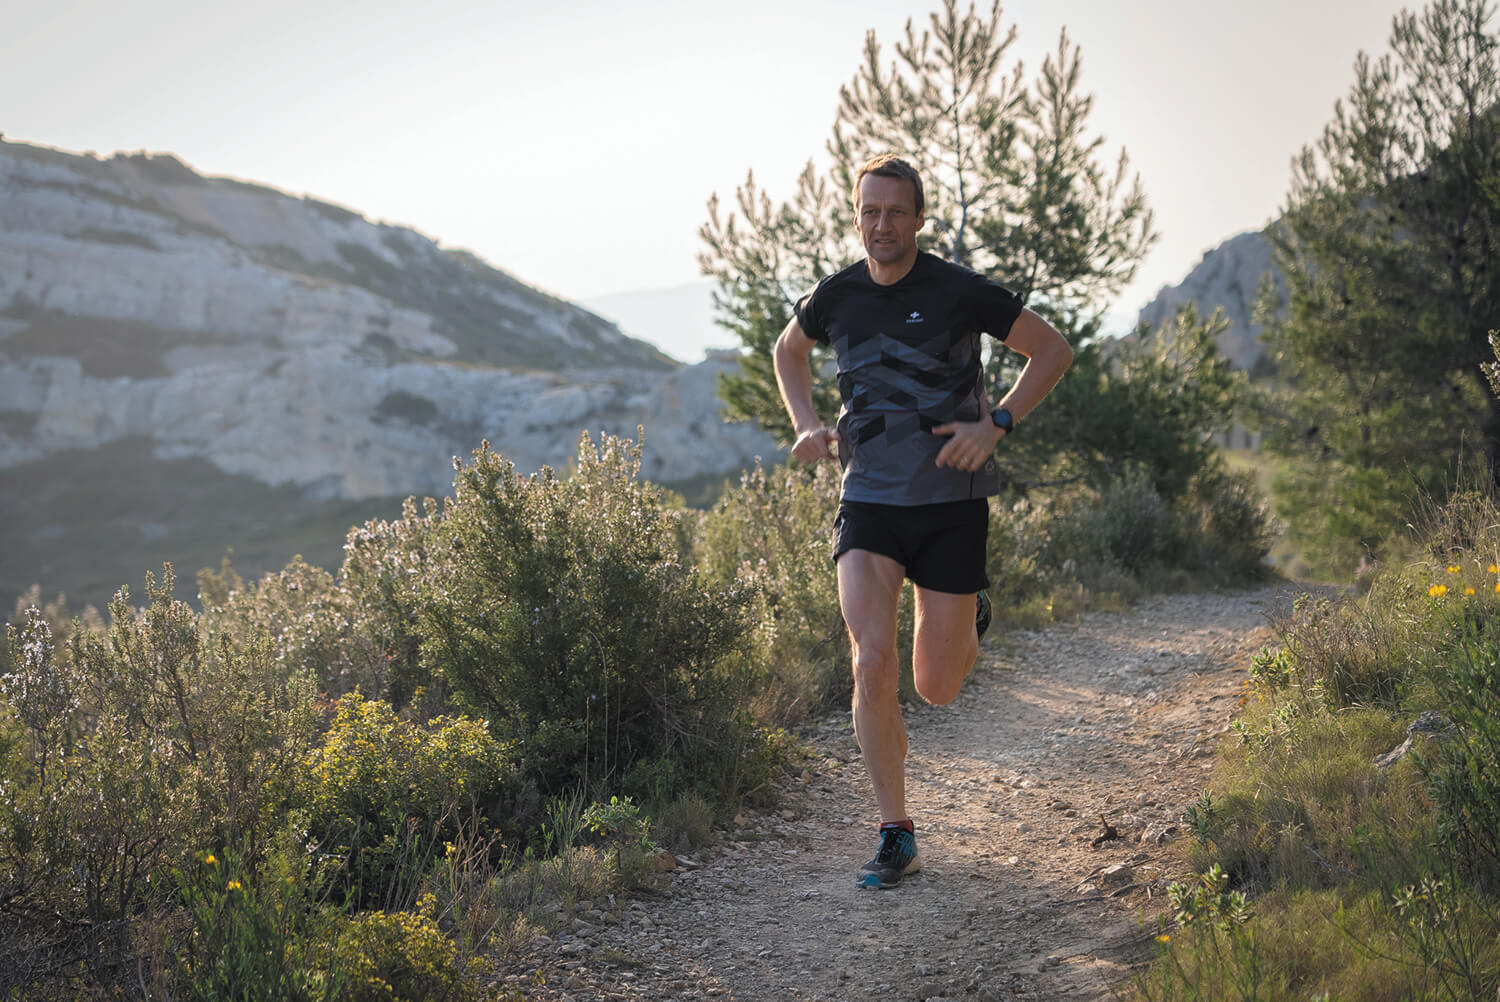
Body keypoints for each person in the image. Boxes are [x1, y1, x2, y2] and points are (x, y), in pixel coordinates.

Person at [773, 153, 1073, 889]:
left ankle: (968, 609)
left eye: (895, 212)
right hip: (868, 500)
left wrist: (996, 423)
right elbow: (789, 351)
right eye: (869, 211)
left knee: (935, 686)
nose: (882, 225)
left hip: (950, 503)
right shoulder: (836, 294)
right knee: (870, 659)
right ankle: (894, 830)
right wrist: (808, 423)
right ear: (856, 215)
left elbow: (1051, 350)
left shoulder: (957, 290)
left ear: (918, 218)